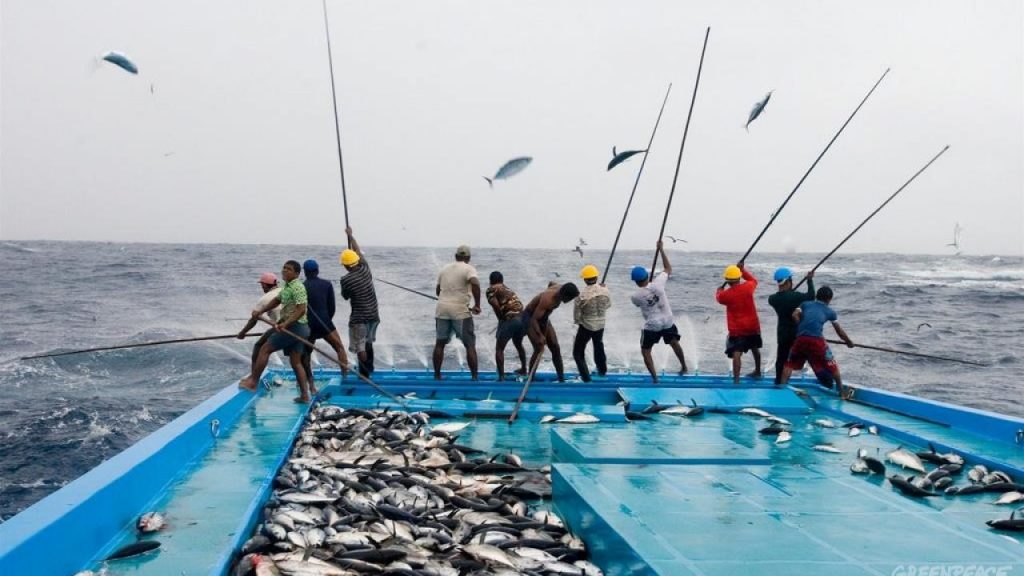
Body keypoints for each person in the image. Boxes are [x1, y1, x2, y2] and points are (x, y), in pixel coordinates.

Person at [239, 260, 314, 403]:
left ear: (297, 274)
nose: (285, 271)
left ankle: (253, 382)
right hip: (297, 328)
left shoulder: (297, 287)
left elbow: (301, 310)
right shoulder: (286, 286)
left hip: (295, 327)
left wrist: (285, 324)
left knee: (265, 349)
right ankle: (305, 396)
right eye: (284, 268)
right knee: (296, 362)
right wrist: (261, 311)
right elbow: (276, 301)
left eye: (289, 269)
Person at [779, 285, 856, 399]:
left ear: (816, 296)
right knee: (832, 364)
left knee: (789, 363)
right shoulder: (830, 312)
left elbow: (794, 314)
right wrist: (849, 342)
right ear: (829, 299)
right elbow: (839, 332)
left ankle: (781, 389)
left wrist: (801, 327)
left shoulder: (805, 304)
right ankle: (841, 392)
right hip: (816, 341)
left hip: (800, 339)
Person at [630, 241, 687, 383]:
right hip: (667, 320)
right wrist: (661, 249)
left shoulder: (635, 296)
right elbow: (668, 268)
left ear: (636, 282)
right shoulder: (659, 283)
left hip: (653, 325)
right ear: (647, 276)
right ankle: (684, 367)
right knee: (674, 342)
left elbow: (639, 304)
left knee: (645, 351)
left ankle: (655, 379)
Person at [433, 245, 481, 380]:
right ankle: (474, 378)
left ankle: (437, 376)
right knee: (469, 345)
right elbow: (475, 283)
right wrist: (477, 305)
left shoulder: (444, 269)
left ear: (456, 256)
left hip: (441, 309)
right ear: (468, 258)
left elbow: (438, 291)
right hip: (460, 312)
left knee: (440, 343)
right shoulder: (469, 268)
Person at [300, 259, 348, 388]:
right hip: (325, 322)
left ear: (305, 272)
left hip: (308, 324)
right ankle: (345, 376)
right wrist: (326, 319)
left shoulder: (301, 286)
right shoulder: (327, 284)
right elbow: (331, 307)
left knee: (306, 354)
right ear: (317, 271)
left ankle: (311, 385)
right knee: (339, 348)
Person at [340, 227, 380, 378]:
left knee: (360, 346)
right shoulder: (365, 267)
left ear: (344, 265)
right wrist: (351, 236)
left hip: (359, 318)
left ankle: (365, 373)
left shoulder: (346, 279)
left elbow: (345, 296)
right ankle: (369, 369)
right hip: (374, 315)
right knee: (369, 342)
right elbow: (357, 250)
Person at [522, 282, 580, 382]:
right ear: (563, 294)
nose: (569, 301)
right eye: (569, 298)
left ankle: (561, 378)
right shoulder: (548, 300)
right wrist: (540, 335)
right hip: (530, 318)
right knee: (539, 347)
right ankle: (530, 378)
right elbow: (534, 319)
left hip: (543, 318)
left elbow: (551, 283)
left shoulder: (559, 287)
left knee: (555, 346)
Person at [716, 262, 763, 384]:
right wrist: (743, 270)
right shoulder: (748, 287)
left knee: (737, 353)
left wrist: (719, 290)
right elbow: (753, 280)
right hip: (753, 326)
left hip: (737, 330)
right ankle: (758, 371)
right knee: (754, 348)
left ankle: (736, 380)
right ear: (739, 277)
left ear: (727, 280)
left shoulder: (726, 295)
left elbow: (719, 298)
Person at [767, 267, 815, 385]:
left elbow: (782, 297)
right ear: (788, 282)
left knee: (781, 358)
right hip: (796, 332)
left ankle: (779, 380)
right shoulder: (797, 297)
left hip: (782, 333)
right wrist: (809, 280)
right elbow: (811, 296)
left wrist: (790, 293)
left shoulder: (773, 299)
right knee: (803, 356)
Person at [485, 271, 527, 381]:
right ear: (502, 280)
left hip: (510, 319)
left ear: (490, 281)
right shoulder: (507, 289)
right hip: (523, 318)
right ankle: (524, 369)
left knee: (499, 348)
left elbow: (495, 305)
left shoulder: (491, 289)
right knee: (518, 344)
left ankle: (501, 377)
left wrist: (501, 319)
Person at [572, 264, 611, 382]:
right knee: (598, 346)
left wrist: (580, 321)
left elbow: (577, 317)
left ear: (584, 279)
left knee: (578, 353)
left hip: (587, 326)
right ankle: (602, 371)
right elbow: (608, 305)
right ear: (596, 277)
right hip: (601, 324)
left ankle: (586, 378)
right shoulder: (605, 290)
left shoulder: (581, 296)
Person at [236, 272, 281, 367]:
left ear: (264, 285)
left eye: (261, 285)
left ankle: (253, 376)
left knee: (259, 346)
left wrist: (242, 333)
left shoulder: (264, 299)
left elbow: (253, 320)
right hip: (295, 324)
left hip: (281, 328)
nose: (261, 287)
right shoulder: (284, 291)